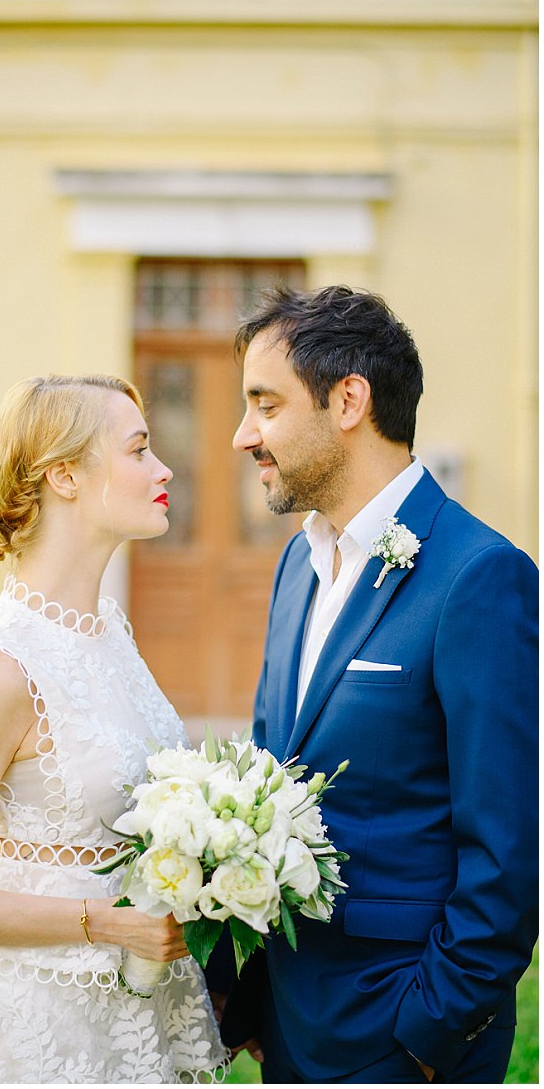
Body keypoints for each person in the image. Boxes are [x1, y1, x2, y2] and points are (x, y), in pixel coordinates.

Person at [219, 285, 539, 1082]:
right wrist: (251, 995)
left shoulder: (479, 576)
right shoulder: (298, 562)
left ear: (349, 400)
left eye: (265, 404)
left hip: (404, 1033)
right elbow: (272, 785)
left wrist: (431, 1031)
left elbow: (509, 849)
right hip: (289, 1025)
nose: (241, 436)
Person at [0, 375, 229, 1083]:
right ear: (66, 476)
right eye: (139, 450)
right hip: (43, 1038)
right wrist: (108, 923)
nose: (164, 470)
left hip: (146, 1025)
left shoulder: (108, 632)